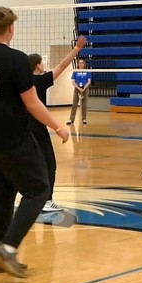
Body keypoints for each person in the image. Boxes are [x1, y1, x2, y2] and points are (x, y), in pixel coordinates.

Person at [0, 6, 70, 278]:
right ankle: (7, 249)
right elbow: (32, 103)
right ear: (11, 29)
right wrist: (58, 125)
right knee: (38, 189)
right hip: (12, 139)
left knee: (1, 197)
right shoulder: (16, 60)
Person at [28, 35, 88, 212]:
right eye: (41, 62)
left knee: (30, 166)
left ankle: (31, 198)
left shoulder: (22, 82)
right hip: (38, 129)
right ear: (38, 65)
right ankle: (46, 201)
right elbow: (62, 65)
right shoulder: (40, 80)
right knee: (49, 165)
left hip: (23, 130)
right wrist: (77, 49)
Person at [67, 60, 91, 125]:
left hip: (85, 88)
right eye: (80, 63)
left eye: (82, 63)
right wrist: (79, 88)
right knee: (74, 104)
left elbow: (89, 81)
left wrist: (83, 88)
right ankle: (71, 119)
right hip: (77, 88)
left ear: (84, 64)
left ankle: (84, 119)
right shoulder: (75, 72)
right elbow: (73, 82)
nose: (81, 64)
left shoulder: (87, 71)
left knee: (84, 105)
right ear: (78, 64)